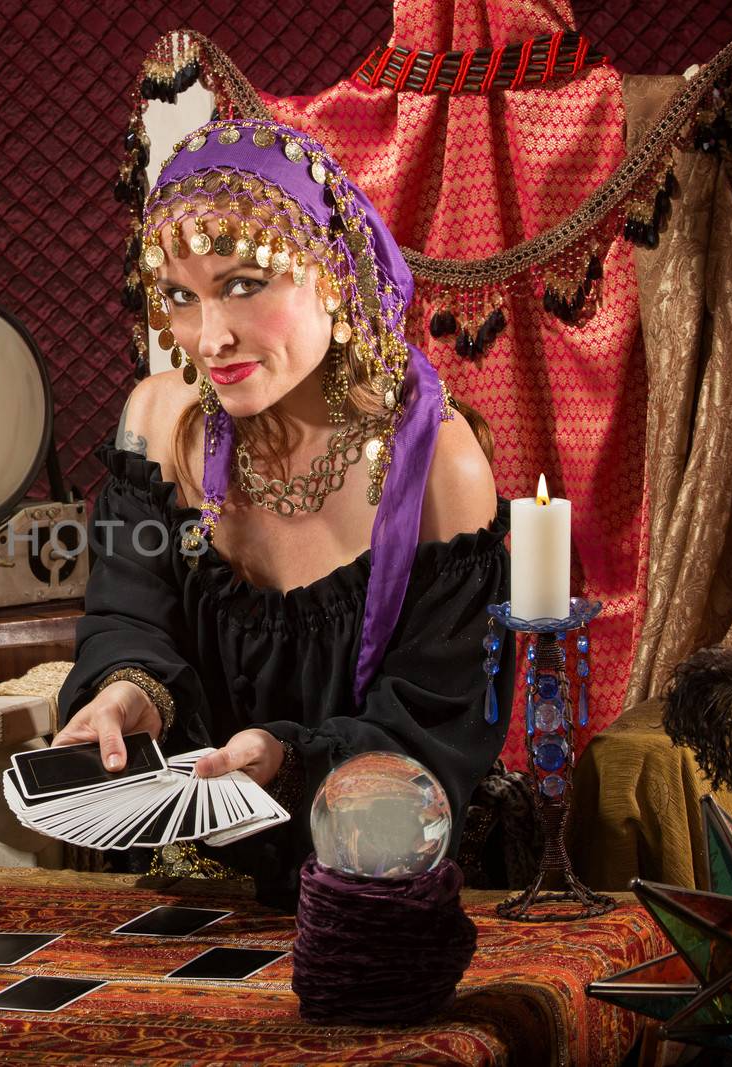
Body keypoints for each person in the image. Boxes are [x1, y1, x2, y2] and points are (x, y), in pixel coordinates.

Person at [53, 117, 514, 905]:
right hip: (186, 883)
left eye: (243, 284)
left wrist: (284, 760)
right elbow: (128, 617)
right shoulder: (162, 424)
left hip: (379, 889)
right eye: (181, 298)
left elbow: (436, 727)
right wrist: (128, 690)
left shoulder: (439, 463)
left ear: (331, 274)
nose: (210, 336)